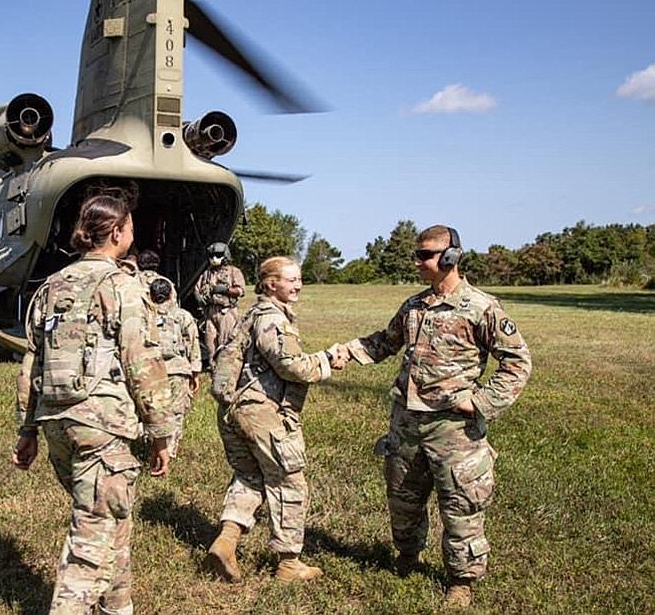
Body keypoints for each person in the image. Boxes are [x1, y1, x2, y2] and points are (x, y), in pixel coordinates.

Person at [337, 225, 532, 608]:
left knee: (461, 505)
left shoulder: (481, 307)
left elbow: (517, 362)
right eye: (419, 254)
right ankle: (407, 557)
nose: (418, 261)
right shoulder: (414, 306)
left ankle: (461, 580)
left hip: (454, 431)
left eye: (426, 254)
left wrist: (480, 402)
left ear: (450, 257)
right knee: (403, 500)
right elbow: (385, 342)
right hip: (406, 426)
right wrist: (346, 352)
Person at [11, 193, 174, 615]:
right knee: (92, 535)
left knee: (110, 521)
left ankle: (117, 608)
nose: (132, 237)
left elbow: (33, 361)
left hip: (56, 422)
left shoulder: (52, 286)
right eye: (132, 229)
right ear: (116, 233)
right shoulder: (122, 285)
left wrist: (28, 430)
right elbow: (142, 359)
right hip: (101, 426)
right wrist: (161, 432)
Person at [206, 256, 345, 583]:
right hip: (262, 413)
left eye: (299, 279)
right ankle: (288, 563)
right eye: (290, 279)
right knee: (289, 482)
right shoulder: (271, 318)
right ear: (270, 284)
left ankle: (225, 542)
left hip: (234, 411)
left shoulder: (251, 313)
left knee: (249, 477)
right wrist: (327, 360)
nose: (297, 285)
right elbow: (290, 365)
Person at [147, 276, 202, 458]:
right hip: (177, 370)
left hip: (151, 371)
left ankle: (153, 446)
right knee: (176, 412)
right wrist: (195, 372)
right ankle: (169, 451)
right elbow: (193, 343)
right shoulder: (182, 316)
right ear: (171, 294)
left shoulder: (144, 315)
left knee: (152, 410)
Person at [194, 242, 246, 366]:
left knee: (226, 340)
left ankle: (227, 367)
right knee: (210, 342)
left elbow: (241, 291)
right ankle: (213, 366)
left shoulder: (234, 272)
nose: (214, 259)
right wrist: (199, 298)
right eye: (211, 256)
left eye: (217, 255)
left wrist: (226, 290)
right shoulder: (206, 274)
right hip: (210, 313)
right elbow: (196, 288)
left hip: (226, 312)